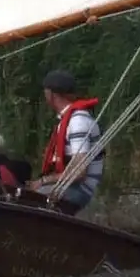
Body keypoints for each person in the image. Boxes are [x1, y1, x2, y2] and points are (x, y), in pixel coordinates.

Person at [32, 69, 103, 215]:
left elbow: (78, 173)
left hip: (80, 190)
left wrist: (43, 181)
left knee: (29, 199)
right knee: (26, 192)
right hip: (72, 186)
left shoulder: (78, 122)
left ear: (51, 95)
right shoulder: (71, 119)